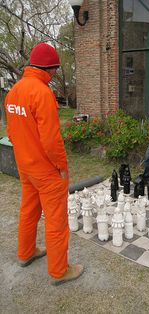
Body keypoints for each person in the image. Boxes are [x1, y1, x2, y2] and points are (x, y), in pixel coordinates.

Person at [4, 42, 83, 285]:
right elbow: (51, 140)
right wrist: (61, 166)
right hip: (46, 171)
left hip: (25, 167)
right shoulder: (42, 92)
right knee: (56, 220)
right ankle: (60, 271)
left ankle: (26, 253)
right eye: (55, 70)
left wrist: (24, 158)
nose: (55, 74)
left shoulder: (13, 91)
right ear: (48, 69)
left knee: (28, 211)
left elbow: (12, 131)